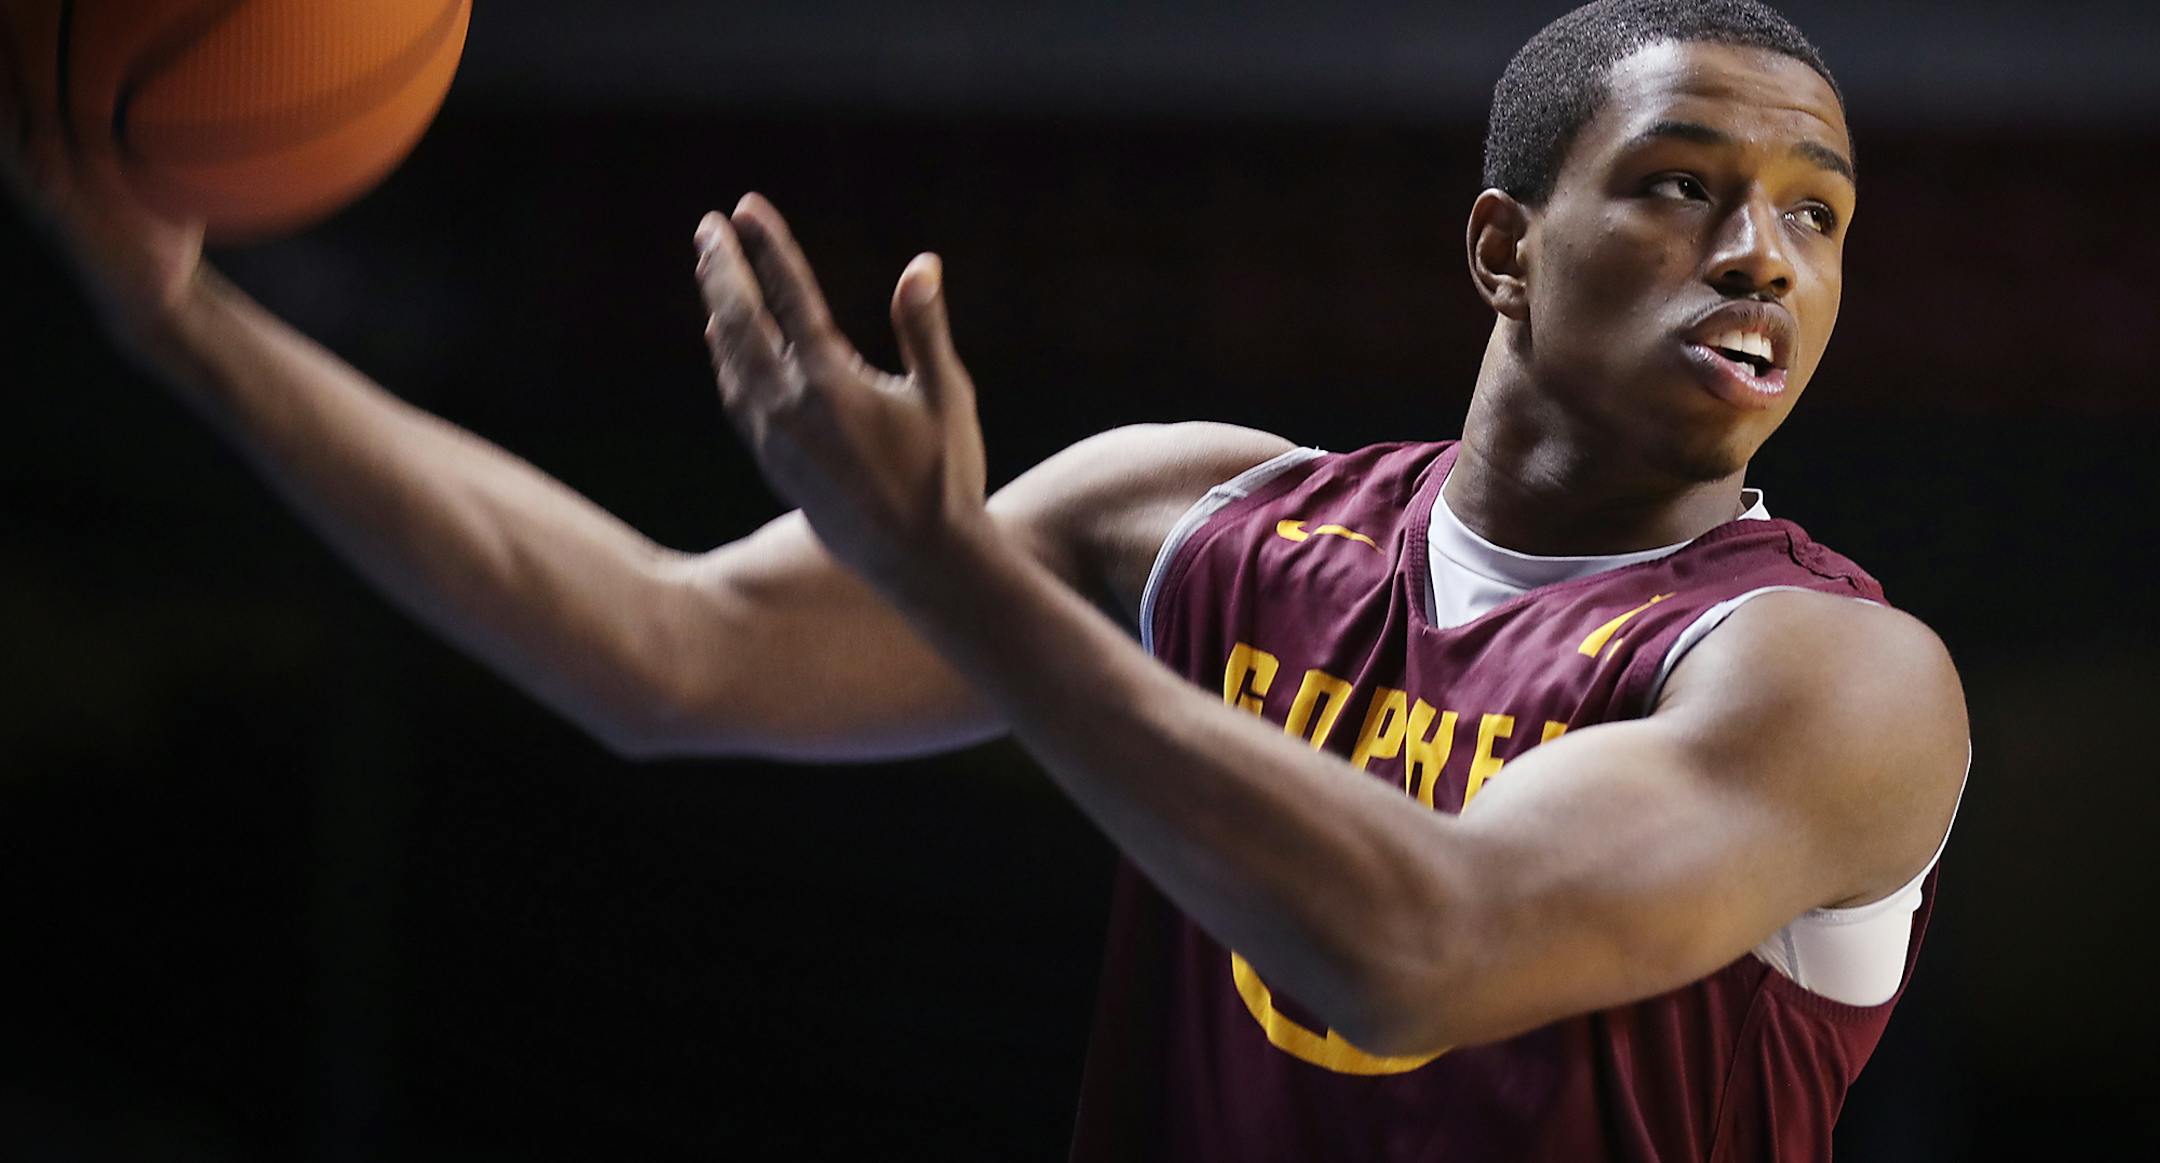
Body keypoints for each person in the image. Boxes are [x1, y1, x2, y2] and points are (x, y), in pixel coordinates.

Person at [9, 0, 1966, 1158]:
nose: (1763, 255)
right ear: (1500, 248)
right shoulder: (1201, 517)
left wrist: (950, 572)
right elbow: (666, 654)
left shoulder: (1829, 678)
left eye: (1817, 216)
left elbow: (1418, 947)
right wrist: (188, 329)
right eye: (1684, 183)